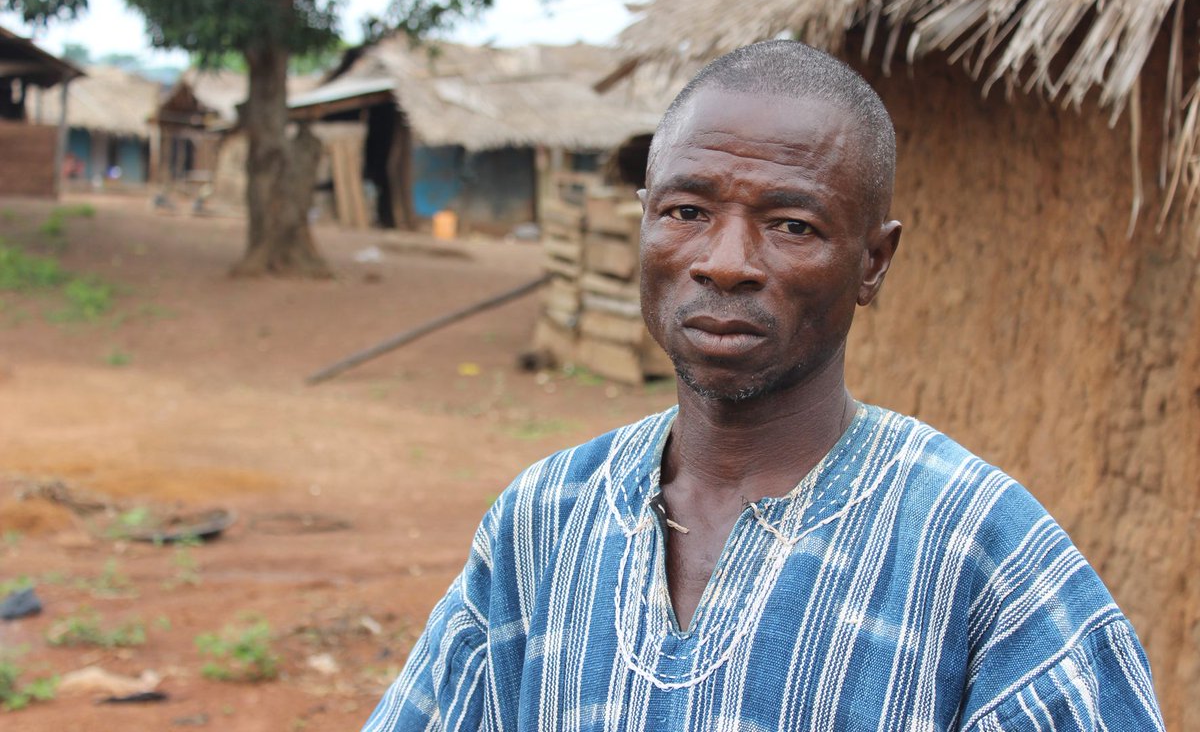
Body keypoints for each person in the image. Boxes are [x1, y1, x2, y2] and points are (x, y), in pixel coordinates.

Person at [362, 41, 1164, 731]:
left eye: (792, 226)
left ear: (873, 263)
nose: (725, 262)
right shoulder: (543, 525)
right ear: (643, 223)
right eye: (685, 210)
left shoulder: (982, 558)